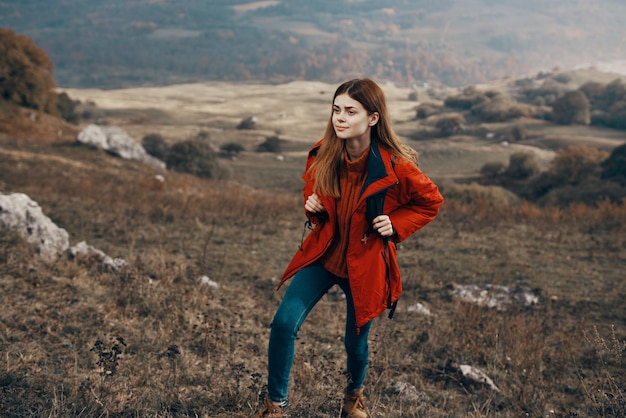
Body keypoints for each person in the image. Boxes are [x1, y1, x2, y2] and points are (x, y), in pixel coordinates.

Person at [256, 78, 444, 417]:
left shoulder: (395, 165)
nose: (340, 118)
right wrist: (311, 206)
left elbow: (430, 201)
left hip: (366, 263)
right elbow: (314, 193)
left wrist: (396, 224)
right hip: (323, 255)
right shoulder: (323, 154)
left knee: (355, 342)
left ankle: (352, 398)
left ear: (372, 118)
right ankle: (274, 407)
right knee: (284, 323)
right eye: (336, 110)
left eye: (350, 111)